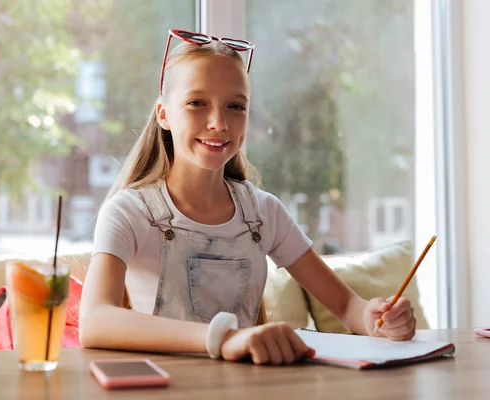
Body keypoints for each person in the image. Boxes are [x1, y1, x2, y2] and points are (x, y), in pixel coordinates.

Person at [79, 29, 417, 365]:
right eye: (197, 103)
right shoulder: (128, 212)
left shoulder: (264, 212)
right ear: (163, 114)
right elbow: (94, 321)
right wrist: (224, 339)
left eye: (235, 106)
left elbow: (347, 307)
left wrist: (376, 320)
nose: (218, 123)